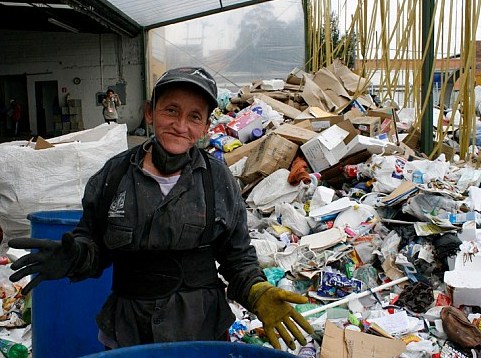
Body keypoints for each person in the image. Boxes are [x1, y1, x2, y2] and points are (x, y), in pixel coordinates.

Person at [8, 67, 313, 350]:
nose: (181, 126)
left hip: (201, 332)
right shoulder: (113, 177)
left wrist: (257, 292)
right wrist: (75, 256)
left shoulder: (218, 181)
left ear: (206, 126)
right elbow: (94, 247)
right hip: (129, 333)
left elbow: (237, 259)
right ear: (150, 113)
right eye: (171, 110)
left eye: (194, 117)